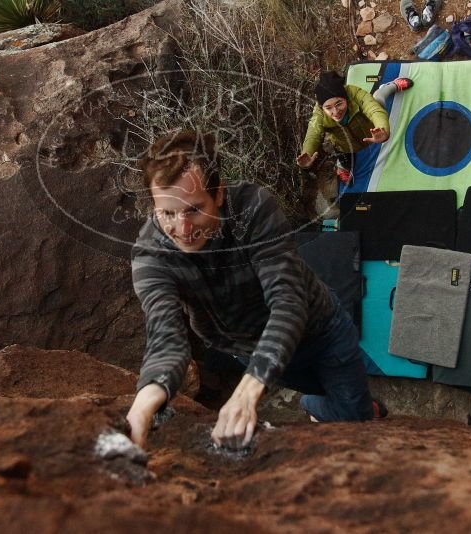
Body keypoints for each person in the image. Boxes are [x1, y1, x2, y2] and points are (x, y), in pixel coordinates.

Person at [126, 130, 383, 450]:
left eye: (193, 209)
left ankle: (341, 405)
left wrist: (249, 390)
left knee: (355, 420)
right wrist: (142, 406)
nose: (183, 229)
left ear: (218, 193)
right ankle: (324, 402)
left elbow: (288, 301)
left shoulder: (252, 208)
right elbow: (166, 338)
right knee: (337, 397)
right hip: (255, 349)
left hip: (320, 332)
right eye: (167, 213)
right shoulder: (152, 254)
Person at [296, 71, 413, 206]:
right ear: (323, 107)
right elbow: (313, 133)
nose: (335, 112)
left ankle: (390, 86)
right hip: (345, 145)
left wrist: (383, 129)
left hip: (370, 129)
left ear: (345, 97)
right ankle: (343, 169)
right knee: (345, 160)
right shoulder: (319, 114)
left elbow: (374, 110)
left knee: (378, 100)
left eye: (339, 103)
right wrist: (307, 152)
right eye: (328, 108)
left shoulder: (354, 93)